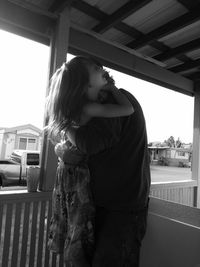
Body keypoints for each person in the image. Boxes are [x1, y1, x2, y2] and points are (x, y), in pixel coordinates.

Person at [46, 55, 135, 267]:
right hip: (75, 180)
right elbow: (126, 109)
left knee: (76, 232)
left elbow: (127, 110)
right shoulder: (85, 108)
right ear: (86, 83)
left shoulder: (88, 107)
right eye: (96, 68)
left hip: (82, 182)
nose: (101, 68)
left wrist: (114, 90)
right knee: (76, 232)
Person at [67, 59, 151, 266]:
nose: (101, 68)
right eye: (95, 68)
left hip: (120, 206)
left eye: (99, 67)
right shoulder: (99, 104)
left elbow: (89, 143)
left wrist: (65, 128)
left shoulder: (110, 101)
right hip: (113, 202)